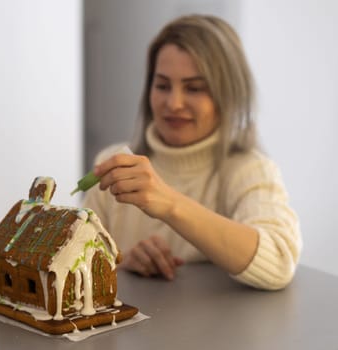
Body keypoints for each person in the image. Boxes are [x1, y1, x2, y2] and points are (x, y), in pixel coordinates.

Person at [83, 15, 302, 290]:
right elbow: (78, 264)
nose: (174, 103)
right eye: (162, 86)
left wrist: (170, 204)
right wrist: (121, 265)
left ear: (229, 95)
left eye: (195, 88)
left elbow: (279, 262)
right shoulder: (112, 164)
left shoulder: (250, 170)